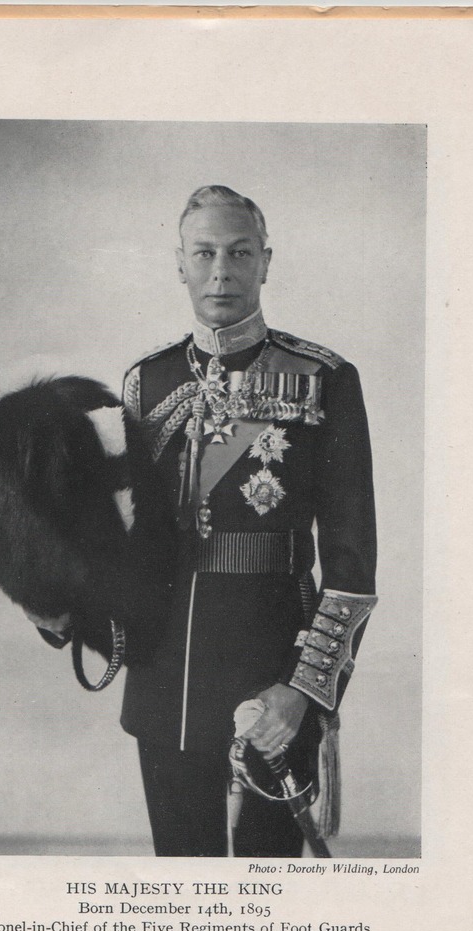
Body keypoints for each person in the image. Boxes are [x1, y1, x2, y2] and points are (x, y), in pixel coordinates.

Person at [120, 185, 377, 857]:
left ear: (265, 261)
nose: (220, 271)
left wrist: (304, 691)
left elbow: (351, 565)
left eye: (238, 253)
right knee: (182, 877)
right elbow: (129, 546)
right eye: (203, 253)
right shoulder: (145, 382)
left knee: (271, 886)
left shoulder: (321, 378)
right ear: (179, 263)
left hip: (273, 658)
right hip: (166, 670)